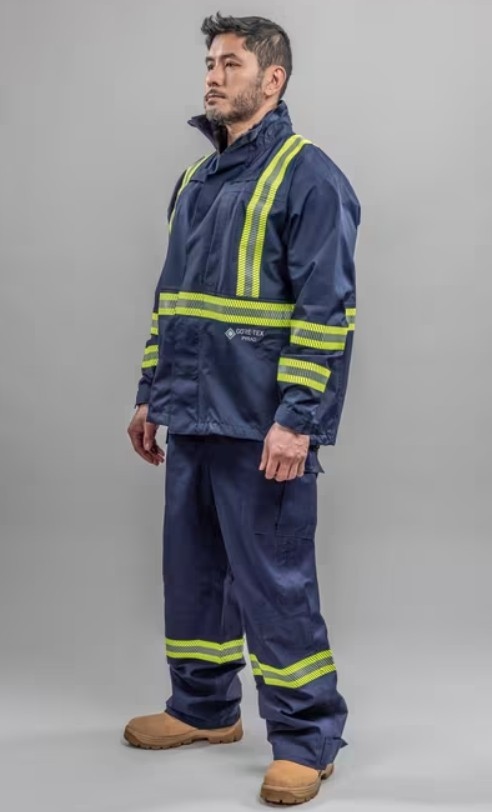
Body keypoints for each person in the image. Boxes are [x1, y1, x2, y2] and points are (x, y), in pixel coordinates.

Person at [124, 12, 361, 806]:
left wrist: (298, 419)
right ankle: (202, 709)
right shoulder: (196, 180)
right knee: (192, 574)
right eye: (210, 63)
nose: (213, 76)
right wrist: (149, 394)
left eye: (231, 64)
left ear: (273, 78)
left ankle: (307, 739)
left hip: (264, 428)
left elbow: (326, 315)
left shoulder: (309, 177)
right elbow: (172, 302)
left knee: (275, 584)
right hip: (193, 414)